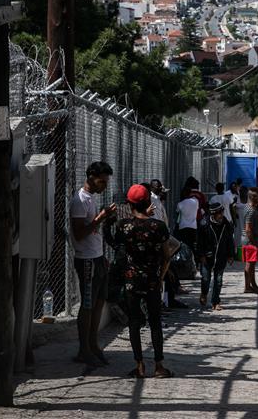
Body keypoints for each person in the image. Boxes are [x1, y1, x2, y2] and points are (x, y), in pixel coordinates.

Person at [114, 184, 173, 378]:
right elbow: (167, 255)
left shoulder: (123, 226)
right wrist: (162, 275)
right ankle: (158, 366)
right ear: (148, 202)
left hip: (131, 279)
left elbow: (117, 246)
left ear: (130, 204)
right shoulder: (158, 226)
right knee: (155, 322)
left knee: (134, 322)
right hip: (153, 280)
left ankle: (139, 366)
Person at [70, 161, 116, 366]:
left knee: (98, 303)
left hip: (96, 257)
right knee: (87, 305)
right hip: (86, 259)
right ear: (90, 177)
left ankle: (93, 344)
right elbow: (79, 234)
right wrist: (100, 218)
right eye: (101, 181)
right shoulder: (80, 201)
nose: (104, 185)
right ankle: (83, 349)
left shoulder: (90, 199)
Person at [197, 201, 235, 311]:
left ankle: (215, 302)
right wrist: (201, 255)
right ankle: (204, 294)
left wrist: (230, 255)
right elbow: (199, 242)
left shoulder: (226, 224)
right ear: (213, 214)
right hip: (207, 256)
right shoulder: (204, 224)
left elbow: (230, 240)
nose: (221, 215)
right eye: (219, 213)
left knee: (218, 280)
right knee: (206, 279)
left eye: (222, 213)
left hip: (221, 256)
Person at [241, 188, 258, 294]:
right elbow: (248, 229)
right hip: (250, 241)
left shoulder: (250, 208)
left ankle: (253, 284)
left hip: (249, 240)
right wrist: (254, 242)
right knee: (249, 264)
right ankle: (247, 286)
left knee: (252, 264)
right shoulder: (250, 210)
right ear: (253, 197)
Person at [175, 186, 201, 257]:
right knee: (193, 245)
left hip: (183, 227)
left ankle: (185, 258)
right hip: (193, 227)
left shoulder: (180, 204)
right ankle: (193, 259)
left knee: (184, 244)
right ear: (190, 193)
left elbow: (177, 213)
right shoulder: (196, 201)